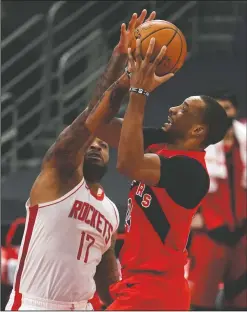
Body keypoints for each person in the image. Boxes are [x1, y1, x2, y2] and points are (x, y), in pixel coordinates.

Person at [5, 10, 156, 311]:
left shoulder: (111, 210)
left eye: (103, 144)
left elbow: (107, 278)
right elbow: (91, 118)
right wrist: (119, 69)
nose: (96, 146)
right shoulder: (58, 176)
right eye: (91, 141)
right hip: (37, 305)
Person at [87, 37, 229, 310]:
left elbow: (128, 164)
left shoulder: (192, 172)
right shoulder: (158, 142)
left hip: (157, 289)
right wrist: (126, 80)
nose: (173, 109)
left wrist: (140, 93)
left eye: (184, 109)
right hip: (138, 284)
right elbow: (96, 123)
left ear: (198, 131)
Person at [188, 90, 247, 311]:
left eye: (228, 107)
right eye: (218, 108)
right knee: (200, 303)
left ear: (236, 110)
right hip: (209, 237)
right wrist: (193, 219)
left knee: (241, 302)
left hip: (242, 237)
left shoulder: (245, 143)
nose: (224, 112)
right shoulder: (197, 146)